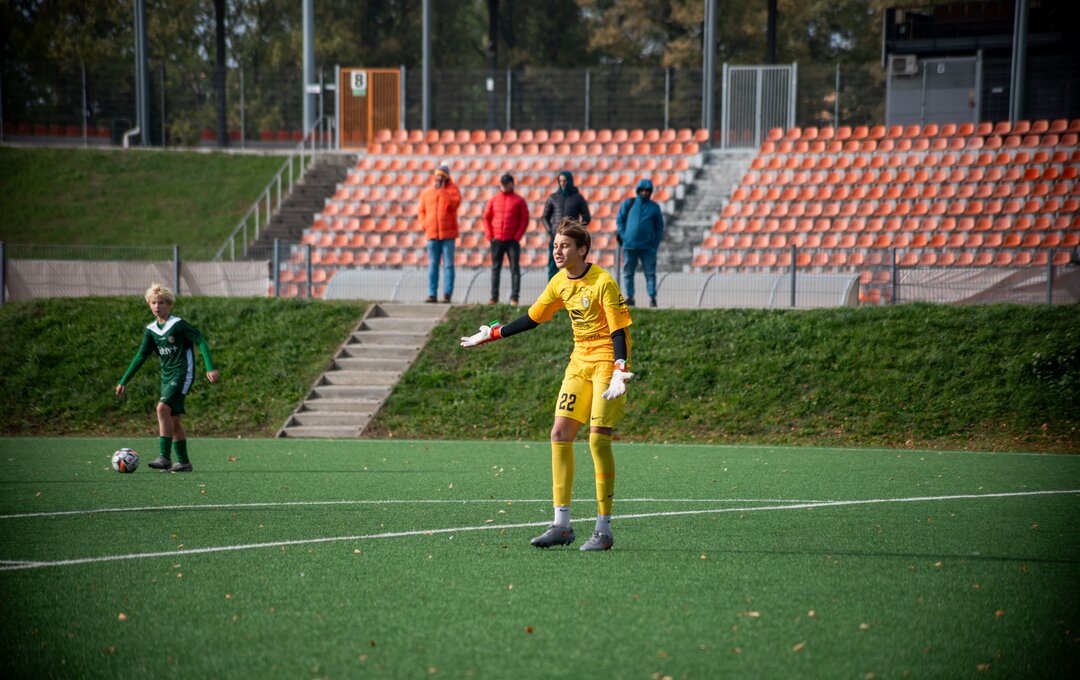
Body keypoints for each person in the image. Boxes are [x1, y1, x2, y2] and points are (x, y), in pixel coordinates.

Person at [460, 219, 634, 551]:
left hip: (607, 365)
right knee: (559, 434)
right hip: (579, 364)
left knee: (597, 441)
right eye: (555, 245)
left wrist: (619, 367)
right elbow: (533, 317)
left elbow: (617, 330)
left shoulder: (603, 282)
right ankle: (561, 526)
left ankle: (603, 530)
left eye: (564, 245)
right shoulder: (559, 282)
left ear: (582, 250)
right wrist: (493, 334)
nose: (557, 250)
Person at [116, 282, 219, 472]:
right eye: (153, 302)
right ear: (149, 304)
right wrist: (124, 381)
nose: (157, 306)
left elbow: (201, 341)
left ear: (170, 304)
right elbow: (141, 356)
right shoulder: (151, 330)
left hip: (183, 373)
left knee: (162, 408)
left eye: (161, 302)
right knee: (173, 420)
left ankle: (164, 458)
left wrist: (210, 367)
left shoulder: (178, 324)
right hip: (167, 376)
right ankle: (184, 462)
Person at [616, 178, 665, 308]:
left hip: (647, 248)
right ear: (638, 190)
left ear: (650, 192)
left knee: (650, 274)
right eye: (642, 190)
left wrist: (654, 244)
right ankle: (630, 297)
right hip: (629, 246)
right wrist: (624, 236)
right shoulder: (629, 203)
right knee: (628, 273)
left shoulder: (654, 207)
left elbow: (659, 227)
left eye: (647, 190)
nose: (644, 192)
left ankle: (652, 298)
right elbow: (620, 220)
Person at [483, 173, 530, 305]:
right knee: (495, 268)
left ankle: (514, 297)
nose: (503, 186)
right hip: (497, 240)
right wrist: (490, 236)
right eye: (501, 184)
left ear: (511, 184)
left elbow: (524, 220)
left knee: (514, 268)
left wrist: (517, 237)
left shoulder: (519, 201)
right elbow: (486, 218)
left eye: (505, 184)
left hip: (512, 241)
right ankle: (494, 297)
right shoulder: (494, 200)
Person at [418, 163, 462, 303]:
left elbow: (454, 205)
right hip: (432, 234)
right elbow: (421, 211)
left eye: (442, 176)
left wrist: (442, 192)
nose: (439, 178)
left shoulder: (453, 190)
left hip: (448, 235)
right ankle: (432, 294)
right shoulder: (427, 192)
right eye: (437, 176)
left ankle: (447, 294)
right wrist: (425, 224)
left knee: (448, 265)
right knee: (433, 264)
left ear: (447, 178)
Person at [541, 171, 591, 280]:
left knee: (573, 264)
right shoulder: (553, 198)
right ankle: (552, 288)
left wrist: (578, 230)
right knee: (553, 265)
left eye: (565, 181)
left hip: (571, 239)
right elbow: (544, 217)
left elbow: (586, 217)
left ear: (570, 181)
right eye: (560, 181)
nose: (562, 183)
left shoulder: (578, 198)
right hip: (556, 237)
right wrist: (551, 231)